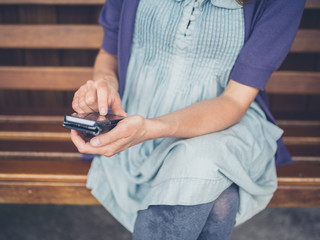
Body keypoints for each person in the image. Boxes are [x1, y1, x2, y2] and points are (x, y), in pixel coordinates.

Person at [70, 0, 306, 239]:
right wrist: (105, 83)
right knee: (219, 201)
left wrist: (151, 128)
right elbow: (108, 54)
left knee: (200, 169)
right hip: (135, 121)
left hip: (223, 123)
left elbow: (234, 101)